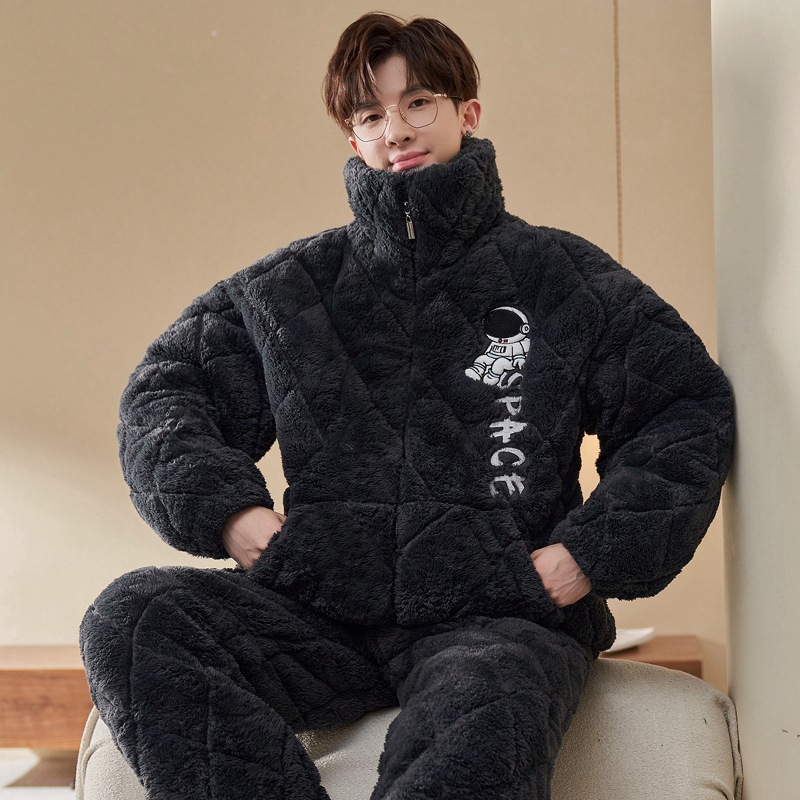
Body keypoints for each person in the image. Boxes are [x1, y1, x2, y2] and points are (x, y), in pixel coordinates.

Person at [80, 12, 734, 800]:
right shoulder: (289, 289)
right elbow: (163, 395)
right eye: (370, 115)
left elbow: (683, 412)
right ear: (352, 136)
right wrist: (233, 518)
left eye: (418, 102)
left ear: (467, 112)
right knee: (132, 617)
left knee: (485, 714)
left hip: (495, 617)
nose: (396, 131)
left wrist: (583, 559)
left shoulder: (561, 278)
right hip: (318, 612)